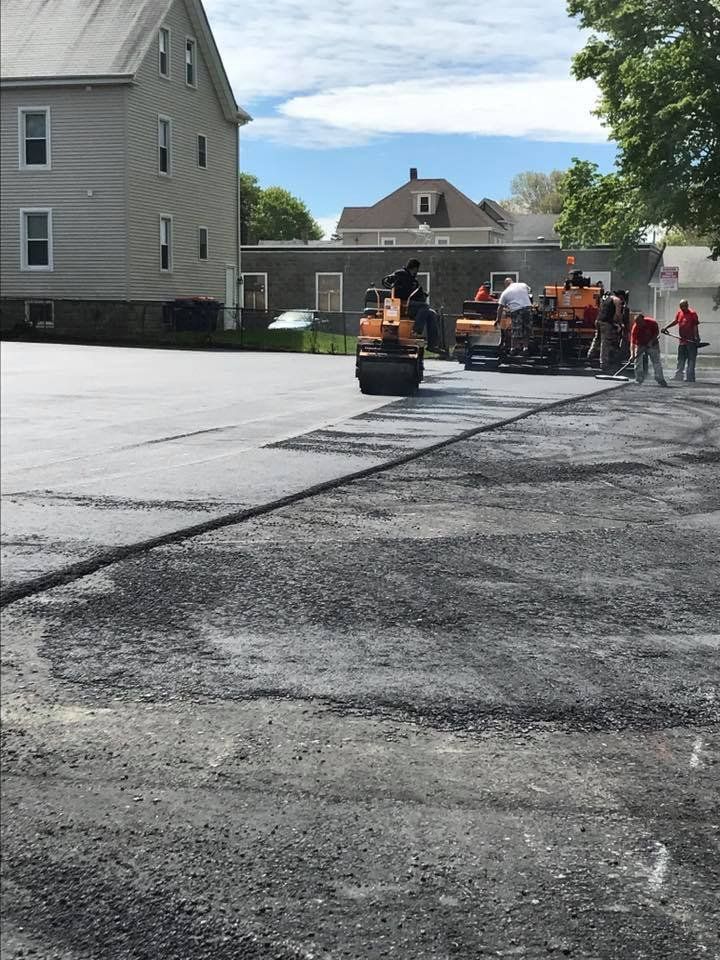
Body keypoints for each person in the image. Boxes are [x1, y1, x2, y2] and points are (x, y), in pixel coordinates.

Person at [382, 258, 441, 351]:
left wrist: (422, 295)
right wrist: (392, 280)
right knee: (424, 306)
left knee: (431, 313)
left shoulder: (413, 281)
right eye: (417, 270)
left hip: (410, 305)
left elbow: (414, 293)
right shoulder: (401, 274)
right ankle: (416, 331)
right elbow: (389, 280)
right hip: (400, 304)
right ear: (414, 268)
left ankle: (432, 345)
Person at [662, 299, 700, 382]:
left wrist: (696, 337)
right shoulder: (679, 313)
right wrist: (666, 327)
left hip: (691, 341)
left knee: (691, 359)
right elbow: (675, 321)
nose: (682, 308)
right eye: (681, 307)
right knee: (681, 359)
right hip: (682, 341)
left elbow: (695, 326)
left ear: (687, 305)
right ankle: (678, 376)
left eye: (683, 306)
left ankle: (690, 377)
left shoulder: (693, 314)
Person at [587, 290, 623, 372]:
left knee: (597, 339)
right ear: (621, 296)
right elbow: (618, 314)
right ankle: (604, 364)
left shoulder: (606, 299)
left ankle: (590, 355)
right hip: (606, 323)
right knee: (605, 342)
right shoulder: (617, 300)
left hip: (598, 321)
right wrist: (620, 324)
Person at [495, 277, 532, 353]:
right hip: (527, 309)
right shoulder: (523, 285)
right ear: (513, 281)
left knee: (516, 329)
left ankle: (513, 349)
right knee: (526, 329)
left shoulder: (505, 292)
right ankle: (525, 348)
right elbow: (530, 292)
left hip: (516, 310)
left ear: (506, 284)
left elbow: (500, 308)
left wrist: (498, 320)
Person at [630, 313, 668, 386]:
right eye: (637, 323)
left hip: (653, 344)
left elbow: (656, 333)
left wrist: (651, 341)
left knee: (656, 361)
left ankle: (660, 378)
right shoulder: (635, 328)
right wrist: (632, 355)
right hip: (640, 344)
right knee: (637, 361)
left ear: (643, 320)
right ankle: (639, 378)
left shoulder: (652, 323)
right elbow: (632, 343)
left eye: (639, 323)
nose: (638, 325)